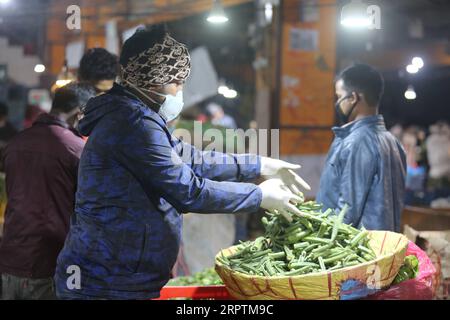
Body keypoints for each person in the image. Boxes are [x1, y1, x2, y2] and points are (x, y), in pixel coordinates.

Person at [54, 24, 310, 300]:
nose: (179, 91)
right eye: (176, 81)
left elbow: (194, 159)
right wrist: (258, 195)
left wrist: (258, 165)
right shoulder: (132, 123)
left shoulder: (138, 116)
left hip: (119, 278)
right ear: (152, 79)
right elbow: (189, 191)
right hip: (106, 284)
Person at [0, 83, 96, 300]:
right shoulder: (77, 151)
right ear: (80, 113)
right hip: (48, 264)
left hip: (9, 261)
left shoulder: (16, 143)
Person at [316, 63, 406, 232]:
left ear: (353, 98)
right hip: (385, 247)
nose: (337, 103)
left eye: (339, 96)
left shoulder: (357, 142)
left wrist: (320, 242)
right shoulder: (393, 142)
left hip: (360, 252)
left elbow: (346, 212)